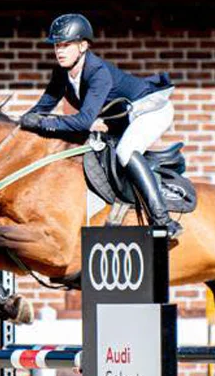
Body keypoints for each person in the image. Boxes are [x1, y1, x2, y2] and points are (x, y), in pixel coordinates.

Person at [19, 13, 182, 239]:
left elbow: (84, 121)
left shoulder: (98, 73)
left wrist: (43, 123)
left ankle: (164, 221)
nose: (59, 51)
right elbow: (41, 109)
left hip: (151, 110)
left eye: (66, 45)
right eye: (57, 45)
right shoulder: (61, 73)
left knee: (125, 152)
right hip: (123, 117)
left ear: (84, 45)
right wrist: (20, 123)